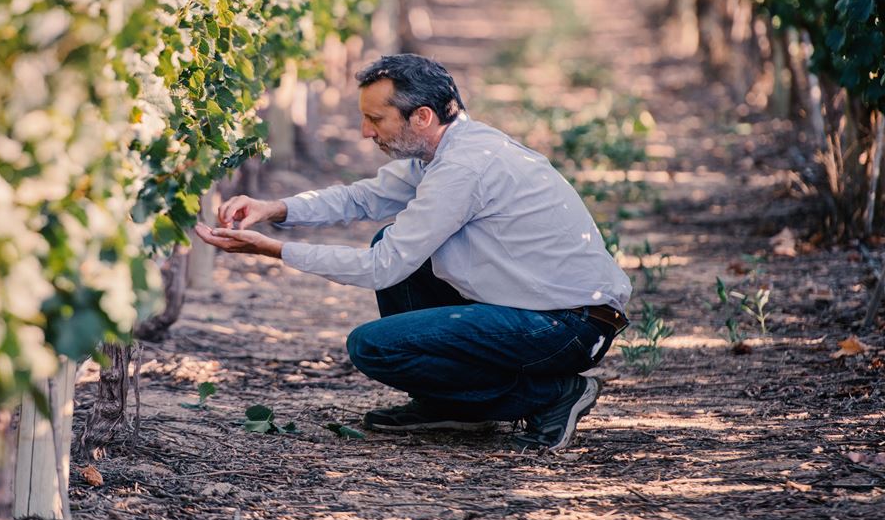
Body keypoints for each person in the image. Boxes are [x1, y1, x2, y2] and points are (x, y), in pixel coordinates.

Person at [193, 53, 631, 452]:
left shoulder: (463, 168)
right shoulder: (446, 150)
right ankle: (449, 405)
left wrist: (275, 251)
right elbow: (362, 199)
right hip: (544, 310)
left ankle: (553, 396)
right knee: (389, 240)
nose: (366, 132)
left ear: (421, 117)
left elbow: (381, 271)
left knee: (374, 347)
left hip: (564, 326)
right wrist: (275, 209)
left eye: (375, 119)